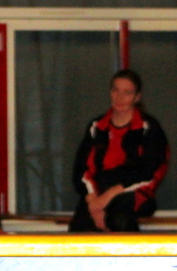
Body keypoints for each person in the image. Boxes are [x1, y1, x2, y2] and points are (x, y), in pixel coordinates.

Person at [68, 69, 170, 232]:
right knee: (80, 227)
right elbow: (82, 170)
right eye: (115, 90)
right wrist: (93, 201)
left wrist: (109, 195)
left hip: (134, 191)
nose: (119, 97)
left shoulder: (149, 128)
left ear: (137, 97)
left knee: (118, 220)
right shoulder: (96, 126)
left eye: (127, 93)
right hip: (99, 191)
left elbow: (149, 171)